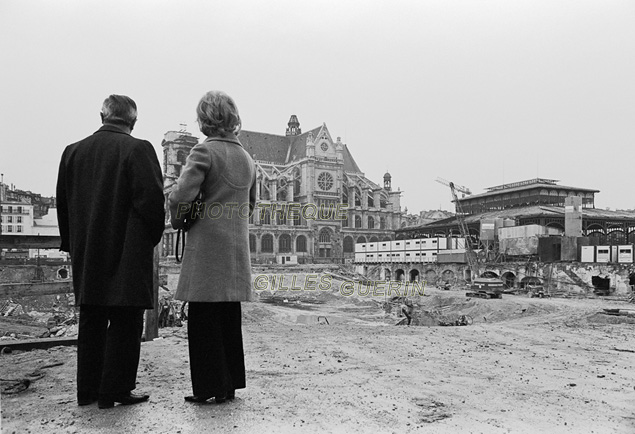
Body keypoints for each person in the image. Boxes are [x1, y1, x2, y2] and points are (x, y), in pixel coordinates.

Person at [56, 95, 165, 409]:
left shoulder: (72, 152)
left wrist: (73, 244)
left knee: (91, 319)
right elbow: (151, 204)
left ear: (102, 116)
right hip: (127, 251)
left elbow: (62, 204)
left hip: (88, 251)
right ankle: (114, 391)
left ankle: (87, 391)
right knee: (126, 321)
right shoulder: (138, 149)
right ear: (132, 120)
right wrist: (150, 239)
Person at [169, 90, 256, 404]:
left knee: (203, 321)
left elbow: (180, 197)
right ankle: (229, 384)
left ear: (205, 120)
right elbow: (251, 204)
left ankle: (208, 388)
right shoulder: (247, 158)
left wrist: (180, 218)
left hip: (207, 248)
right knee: (228, 319)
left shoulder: (203, 152)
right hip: (236, 251)